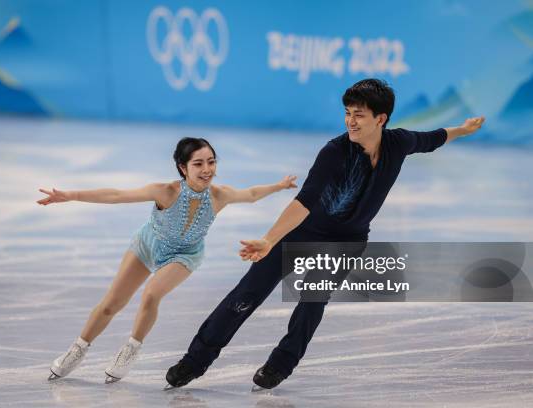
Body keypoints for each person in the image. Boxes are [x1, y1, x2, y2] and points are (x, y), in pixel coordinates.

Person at [166, 79, 485, 390]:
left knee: (312, 299)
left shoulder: (398, 143)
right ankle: (195, 361)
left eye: (359, 115)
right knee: (247, 294)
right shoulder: (334, 151)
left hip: (347, 241)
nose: (351, 121)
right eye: (348, 113)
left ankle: (280, 365)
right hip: (303, 231)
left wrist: (463, 130)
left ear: (381, 119)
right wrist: (270, 238)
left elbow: (433, 138)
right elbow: (305, 199)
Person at [38, 137, 297, 383]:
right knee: (111, 304)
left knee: (151, 294)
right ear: (183, 168)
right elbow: (116, 195)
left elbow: (251, 194)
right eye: (198, 163)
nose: (207, 169)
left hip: (185, 254)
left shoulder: (219, 195)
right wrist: (71, 195)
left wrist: (279, 186)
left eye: (211, 161)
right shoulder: (165, 191)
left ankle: (131, 349)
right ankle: (79, 348)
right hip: (148, 245)